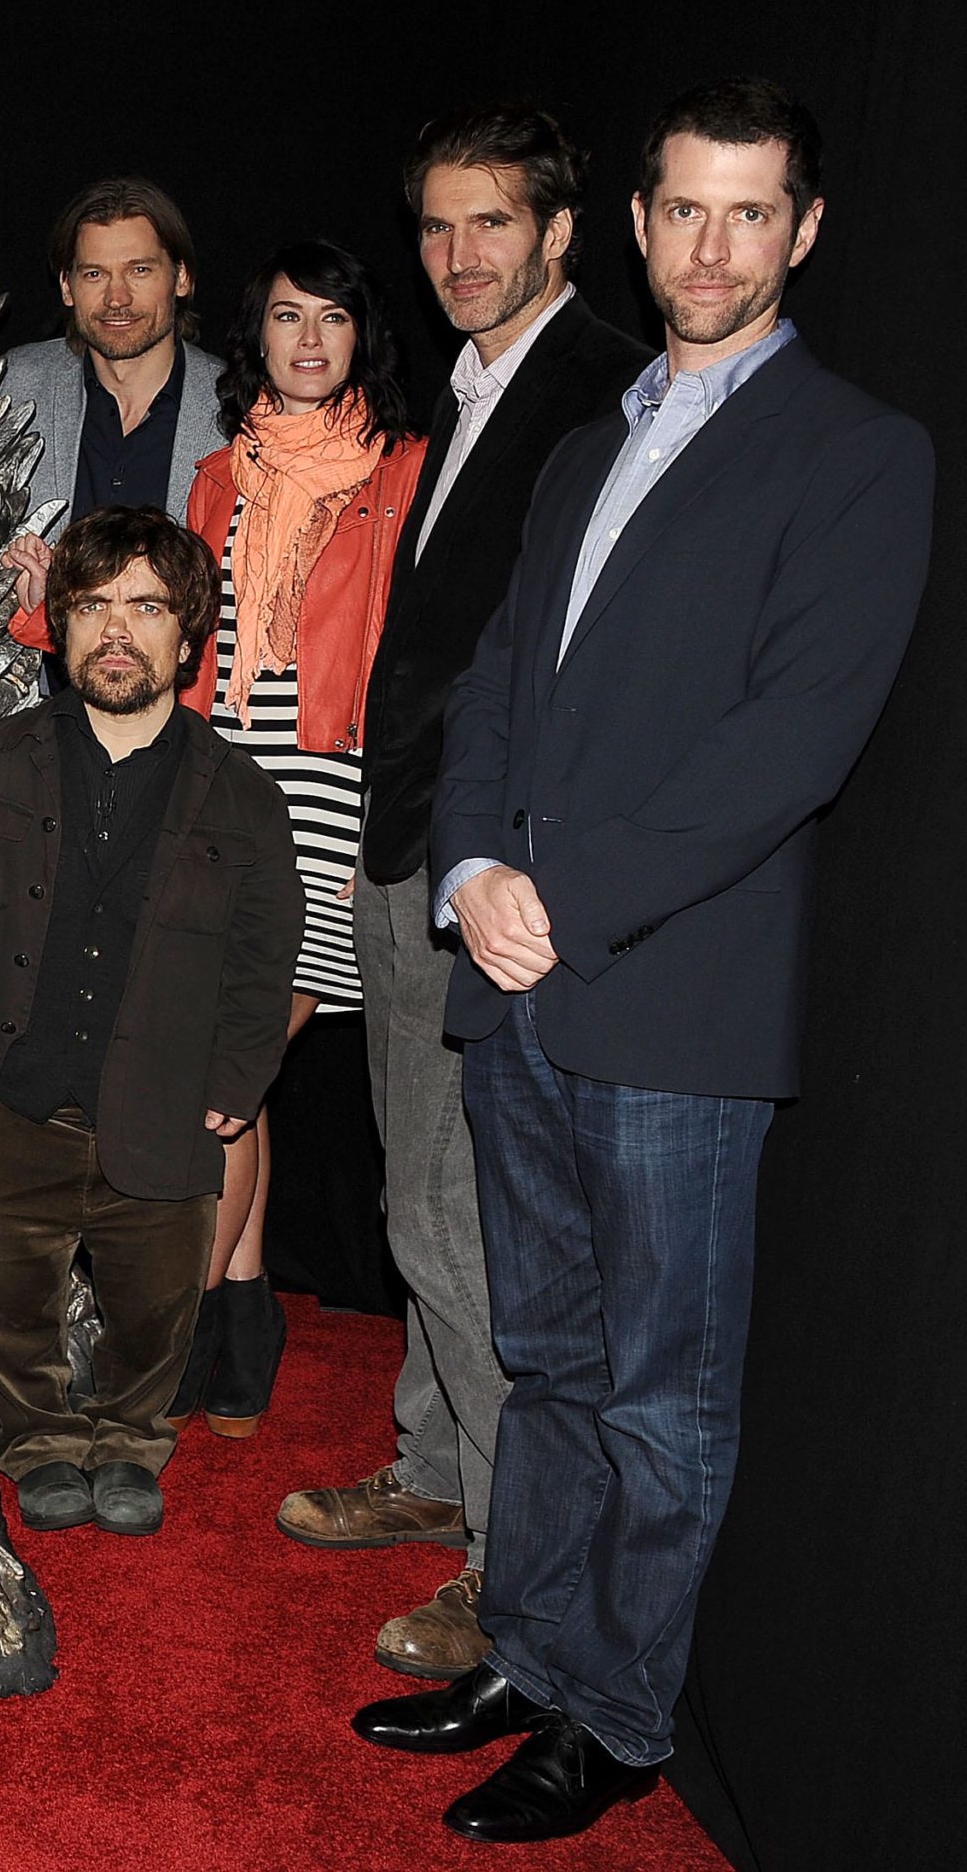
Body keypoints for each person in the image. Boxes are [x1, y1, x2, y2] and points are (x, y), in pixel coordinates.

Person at [353, 79, 933, 1847]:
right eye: (683, 209)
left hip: (674, 998)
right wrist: (468, 863)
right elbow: (503, 688)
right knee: (547, 1357)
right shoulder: (593, 439)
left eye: (748, 214)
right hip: (520, 980)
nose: (709, 245)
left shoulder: (858, 453)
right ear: (639, 225)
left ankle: (614, 1715)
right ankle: (527, 1653)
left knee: (665, 1402)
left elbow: (792, 745)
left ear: (805, 232)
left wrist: (560, 895)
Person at [276, 107, 648, 1683]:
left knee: (455, 1214)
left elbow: (583, 656)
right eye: (436, 228)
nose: (459, 255)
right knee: (410, 1195)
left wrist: (492, 851)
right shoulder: (479, 385)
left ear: (562, 230)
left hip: (481, 858)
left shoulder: (600, 389)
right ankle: (434, 1464)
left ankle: (508, 1569)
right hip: (407, 837)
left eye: (493, 222)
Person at [21, 242, 427, 1434]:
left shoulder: (400, 474)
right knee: (231, 1078)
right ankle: (239, 1312)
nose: (310, 340)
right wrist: (39, 595)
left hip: (332, 800)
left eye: (333, 318)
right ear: (256, 338)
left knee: (217, 1070)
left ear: (363, 338)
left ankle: (178, 1333)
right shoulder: (216, 476)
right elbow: (163, 626)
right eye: (289, 317)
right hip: (217, 797)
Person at [0, 505, 302, 1537]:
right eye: (95, 605)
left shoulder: (242, 797)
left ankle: (126, 1438)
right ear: (58, 626)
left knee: (155, 1308)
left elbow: (261, 957)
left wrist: (235, 1083)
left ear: (188, 635)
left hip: (159, 1104)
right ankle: (37, 1439)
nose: (118, 629)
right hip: (6, 1096)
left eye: (147, 606)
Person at [0, 178, 226, 627]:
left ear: (181, 278)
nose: (116, 298)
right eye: (94, 274)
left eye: (139, 270)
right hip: (36, 689)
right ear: (66, 286)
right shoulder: (20, 382)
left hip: (185, 691)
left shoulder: (239, 407)